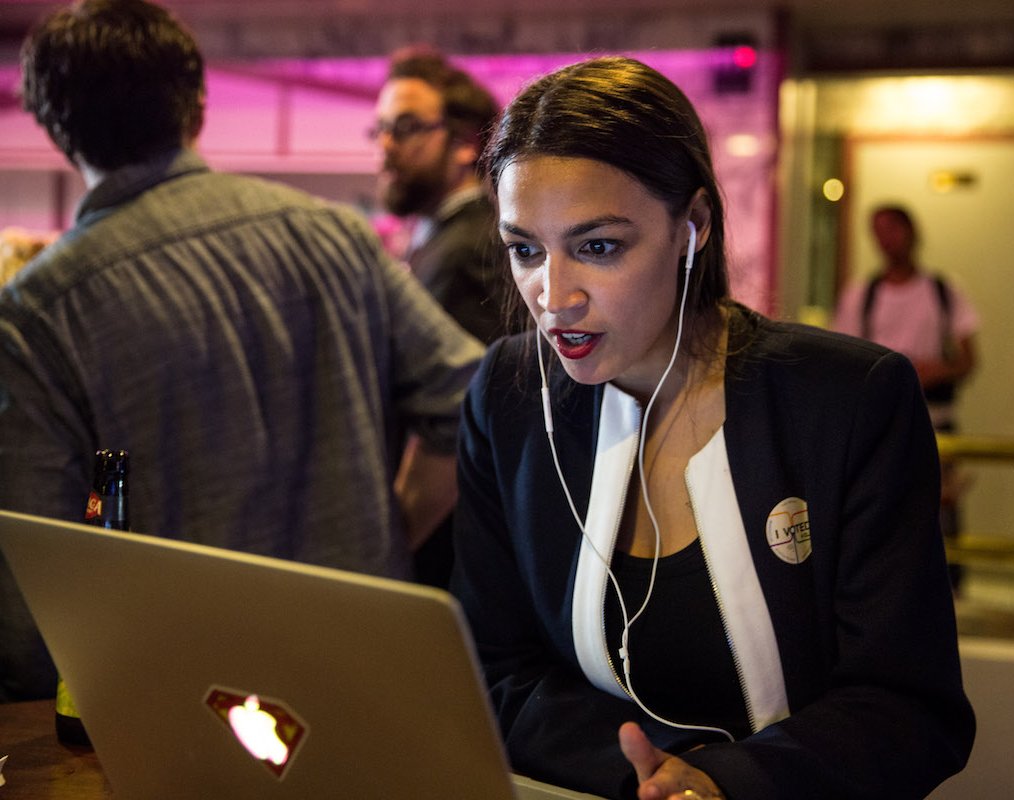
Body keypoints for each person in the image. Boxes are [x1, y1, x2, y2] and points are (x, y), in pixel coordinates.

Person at [451, 56, 974, 800]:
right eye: (525, 250)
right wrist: (657, 775)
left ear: (692, 226)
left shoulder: (846, 400)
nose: (552, 295)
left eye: (598, 247)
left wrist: (727, 781)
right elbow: (491, 672)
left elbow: (909, 709)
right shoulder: (508, 395)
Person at [0, 0, 483, 702]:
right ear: (197, 105)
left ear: (50, 123)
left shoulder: (37, 311)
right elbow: (468, 400)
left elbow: (28, 593)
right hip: (366, 658)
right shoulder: (331, 236)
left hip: (190, 696)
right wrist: (384, 549)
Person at [372, 46, 507, 586]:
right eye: (380, 127)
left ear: (464, 143)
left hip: (450, 553)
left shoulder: (463, 251)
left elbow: (462, 415)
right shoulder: (453, 240)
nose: (385, 146)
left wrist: (390, 549)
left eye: (405, 127)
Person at [834, 205, 980, 589]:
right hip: (879, 420)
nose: (886, 239)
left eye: (893, 228)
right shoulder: (861, 294)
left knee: (938, 509)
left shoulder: (943, 290)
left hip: (936, 415)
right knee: (881, 508)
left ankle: (946, 587)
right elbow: (843, 358)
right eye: (877, 231)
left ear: (911, 231)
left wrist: (936, 370)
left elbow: (968, 358)